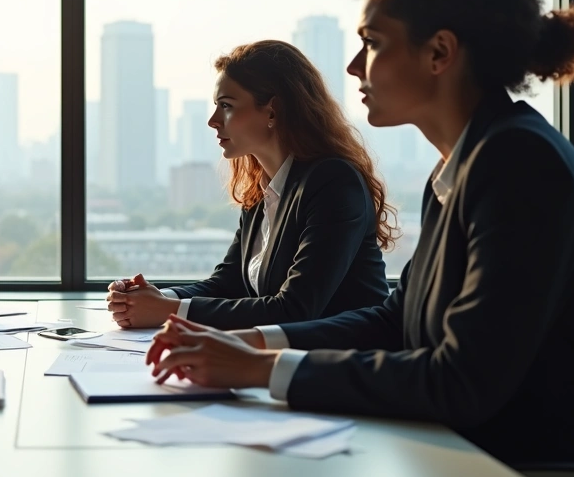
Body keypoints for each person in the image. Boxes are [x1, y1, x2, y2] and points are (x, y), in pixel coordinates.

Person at [145, 0, 574, 477]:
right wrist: (253, 343)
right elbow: (400, 319)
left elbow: (461, 378)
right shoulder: (460, 167)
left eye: (371, 41)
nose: (352, 65)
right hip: (485, 463)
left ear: (439, 53)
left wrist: (260, 369)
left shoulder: (521, 165)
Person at [106, 40, 394, 330]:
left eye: (226, 106)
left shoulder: (333, 182)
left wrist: (169, 311)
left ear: (272, 111)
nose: (213, 121)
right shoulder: (262, 192)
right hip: (279, 359)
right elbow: (228, 283)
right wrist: (154, 297)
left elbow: (296, 308)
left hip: (346, 365)